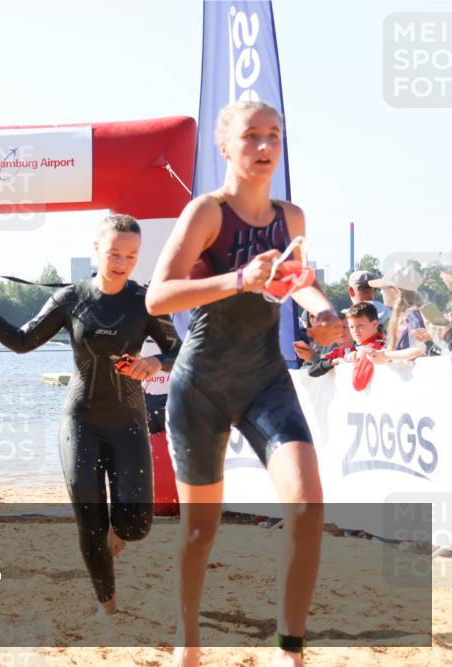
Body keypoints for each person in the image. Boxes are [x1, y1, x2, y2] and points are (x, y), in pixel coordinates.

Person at [144, 100, 344, 667]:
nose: (264, 147)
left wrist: (323, 310)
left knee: (307, 507)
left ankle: (290, 648)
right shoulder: (207, 212)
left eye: (274, 136)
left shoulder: (292, 218)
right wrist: (236, 279)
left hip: (265, 380)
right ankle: (188, 644)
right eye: (251, 136)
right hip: (201, 386)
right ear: (225, 147)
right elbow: (158, 297)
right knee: (198, 534)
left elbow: (297, 280)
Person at [0, 214, 181, 618]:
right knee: (90, 520)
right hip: (80, 421)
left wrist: (154, 362)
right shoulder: (70, 299)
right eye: (114, 253)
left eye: (131, 255)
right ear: (96, 250)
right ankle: (107, 605)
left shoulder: (145, 300)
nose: (122, 262)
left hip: (130, 420)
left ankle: (119, 533)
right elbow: (22, 342)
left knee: (136, 526)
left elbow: (179, 351)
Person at [368, 264, 430, 361]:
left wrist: (386, 355)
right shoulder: (405, 315)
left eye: (383, 288)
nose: (381, 292)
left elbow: (419, 350)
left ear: (395, 290)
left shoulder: (413, 314)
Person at [307, 302, 385, 377]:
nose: (340, 331)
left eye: (345, 327)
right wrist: (335, 361)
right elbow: (311, 371)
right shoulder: (334, 354)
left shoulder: (364, 349)